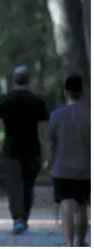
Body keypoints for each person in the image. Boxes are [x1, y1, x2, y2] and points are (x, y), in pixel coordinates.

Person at [0, 66, 49, 235]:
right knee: (28, 185)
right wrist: (47, 153)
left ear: (14, 80)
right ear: (29, 80)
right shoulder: (37, 101)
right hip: (32, 149)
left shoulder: (4, 100)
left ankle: (17, 219)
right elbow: (43, 130)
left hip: (11, 149)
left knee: (14, 185)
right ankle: (24, 217)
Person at [48, 74, 90, 247]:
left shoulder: (57, 115)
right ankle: (81, 241)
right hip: (86, 169)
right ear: (83, 91)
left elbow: (51, 140)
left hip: (62, 168)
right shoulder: (89, 114)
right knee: (82, 206)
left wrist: (49, 162)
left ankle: (68, 242)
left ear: (66, 92)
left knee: (66, 204)